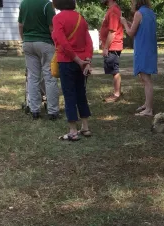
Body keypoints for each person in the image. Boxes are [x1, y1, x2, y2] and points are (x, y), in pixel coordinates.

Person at [51, 0, 93, 141]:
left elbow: (62, 42)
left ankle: (73, 130)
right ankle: (85, 127)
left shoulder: (57, 18)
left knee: (69, 95)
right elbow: (89, 42)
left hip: (67, 61)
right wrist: (86, 60)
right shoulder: (81, 18)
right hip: (82, 62)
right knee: (81, 92)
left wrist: (76, 58)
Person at [18, 0, 61, 120]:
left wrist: (24, 40)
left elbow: (20, 25)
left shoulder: (23, 4)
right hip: (45, 42)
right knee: (50, 77)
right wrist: (56, 43)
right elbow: (52, 27)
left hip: (28, 42)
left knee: (32, 77)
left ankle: (34, 109)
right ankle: (53, 111)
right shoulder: (47, 4)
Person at [120, 0, 157, 117]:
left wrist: (124, 23)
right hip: (149, 48)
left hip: (143, 48)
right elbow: (140, 28)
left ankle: (149, 109)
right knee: (144, 77)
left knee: (146, 79)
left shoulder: (138, 13)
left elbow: (131, 33)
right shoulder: (150, 12)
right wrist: (130, 24)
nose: (131, 4)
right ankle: (147, 104)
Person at [100, 0, 124, 103]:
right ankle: (117, 92)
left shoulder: (113, 10)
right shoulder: (112, 9)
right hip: (111, 46)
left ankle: (116, 94)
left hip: (113, 46)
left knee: (114, 71)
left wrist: (106, 48)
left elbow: (112, 31)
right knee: (113, 70)